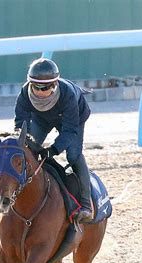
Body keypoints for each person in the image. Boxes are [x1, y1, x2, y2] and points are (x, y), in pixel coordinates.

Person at [14, 58, 93, 223]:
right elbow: (20, 125)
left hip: (73, 118)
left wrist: (54, 149)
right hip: (41, 119)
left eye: (48, 87)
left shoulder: (68, 93)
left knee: (73, 155)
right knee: (28, 149)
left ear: (55, 84)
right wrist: (25, 140)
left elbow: (70, 130)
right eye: (37, 87)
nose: (42, 92)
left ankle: (86, 205)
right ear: (30, 84)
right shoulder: (24, 93)